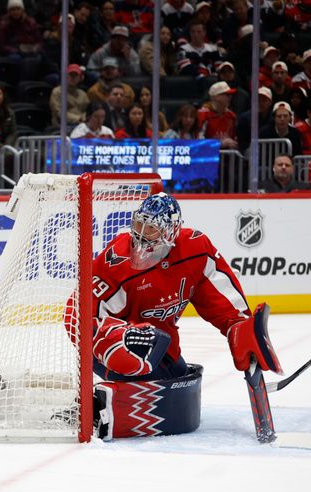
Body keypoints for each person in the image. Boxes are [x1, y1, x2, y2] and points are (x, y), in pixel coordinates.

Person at [67, 193, 280, 439]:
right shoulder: (116, 261)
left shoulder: (196, 250)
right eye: (139, 225)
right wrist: (108, 339)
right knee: (157, 391)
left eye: (152, 229)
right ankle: (99, 406)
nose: (141, 235)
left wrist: (237, 326)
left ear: (171, 232)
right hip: (117, 349)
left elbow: (219, 297)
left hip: (161, 342)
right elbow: (76, 313)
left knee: (178, 381)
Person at [198, 81, 238, 149]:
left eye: (230, 95)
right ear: (215, 97)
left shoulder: (231, 116)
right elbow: (198, 141)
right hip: (207, 156)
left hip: (227, 156)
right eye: (227, 95)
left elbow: (234, 138)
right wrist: (219, 144)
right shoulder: (203, 115)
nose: (230, 97)